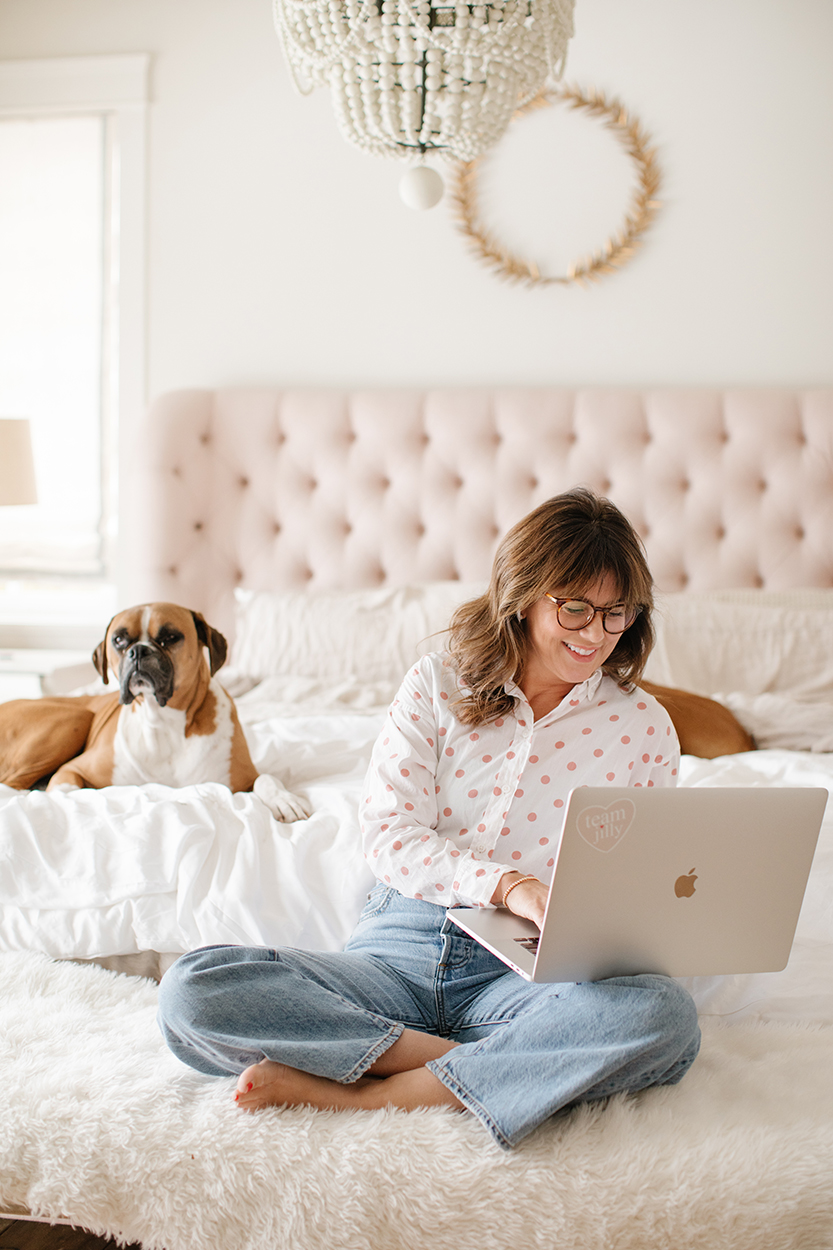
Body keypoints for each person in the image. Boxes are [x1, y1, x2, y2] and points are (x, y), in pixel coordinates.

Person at [157, 487, 701, 1149]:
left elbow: (641, 885)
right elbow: (388, 834)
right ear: (522, 596)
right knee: (194, 990)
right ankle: (492, 1062)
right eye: (575, 608)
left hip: (529, 973)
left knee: (663, 1019)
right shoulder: (436, 685)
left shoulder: (640, 725)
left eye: (616, 613)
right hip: (400, 951)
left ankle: (379, 1091)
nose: (595, 634)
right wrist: (506, 885)